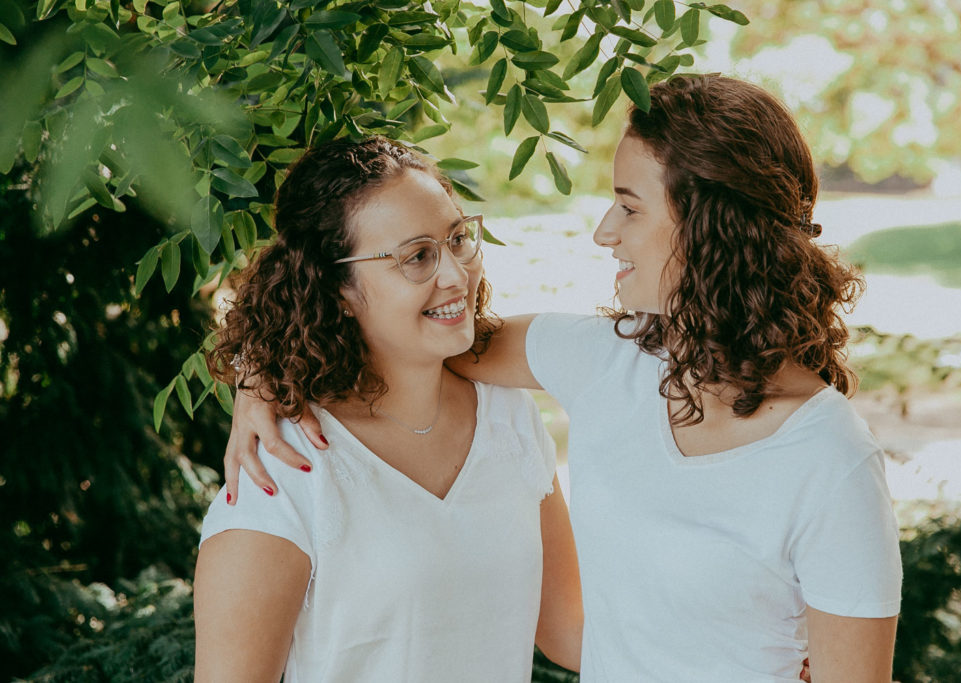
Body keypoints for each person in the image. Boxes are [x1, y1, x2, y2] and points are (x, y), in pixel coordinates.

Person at [226, 74, 902, 681]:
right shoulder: (607, 360)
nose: (605, 231)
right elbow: (421, 330)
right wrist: (258, 377)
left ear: (710, 228)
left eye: (630, 206)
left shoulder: (830, 461)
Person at [193, 137, 582, 682]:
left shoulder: (509, 417)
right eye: (417, 256)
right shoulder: (283, 470)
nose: (455, 275)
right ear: (338, 288)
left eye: (457, 240)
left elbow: (572, 632)